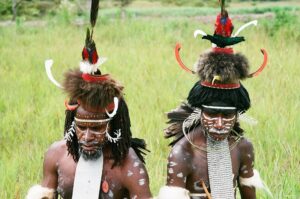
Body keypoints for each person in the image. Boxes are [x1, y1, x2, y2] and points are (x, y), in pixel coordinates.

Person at [26, 1, 152, 198]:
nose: (86, 137)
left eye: (96, 128)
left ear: (112, 125)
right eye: (81, 127)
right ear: (71, 123)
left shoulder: (128, 165)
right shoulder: (57, 155)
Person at [158, 1, 270, 198]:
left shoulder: (243, 147)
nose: (219, 123)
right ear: (199, 112)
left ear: (237, 115)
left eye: (226, 115)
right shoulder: (183, 152)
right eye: (211, 114)